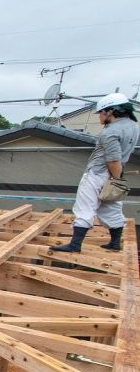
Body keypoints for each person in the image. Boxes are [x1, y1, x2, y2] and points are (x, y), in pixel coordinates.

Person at [51, 92, 139, 253]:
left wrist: (115, 180)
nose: (99, 118)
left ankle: (75, 245)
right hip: (115, 173)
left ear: (111, 111)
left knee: (85, 207)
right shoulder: (133, 127)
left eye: (101, 113)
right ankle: (114, 243)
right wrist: (116, 180)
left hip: (99, 173)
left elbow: (112, 159)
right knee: (111, 206)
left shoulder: (110, 132)